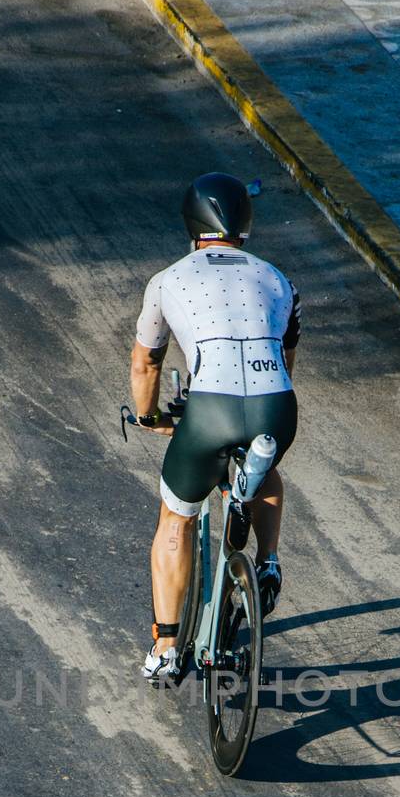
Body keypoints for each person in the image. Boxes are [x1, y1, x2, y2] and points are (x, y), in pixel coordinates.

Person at [130, 172, 301, 681]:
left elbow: (146, 366)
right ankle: (267, 561)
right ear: (243, 225)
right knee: (263, 464)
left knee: (176, 518)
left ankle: (164, 646)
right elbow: (287, 360)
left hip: (209, 408)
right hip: (275, 405)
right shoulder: (278, 278)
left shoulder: (166, 280)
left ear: (191, 225)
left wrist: (148, 416)